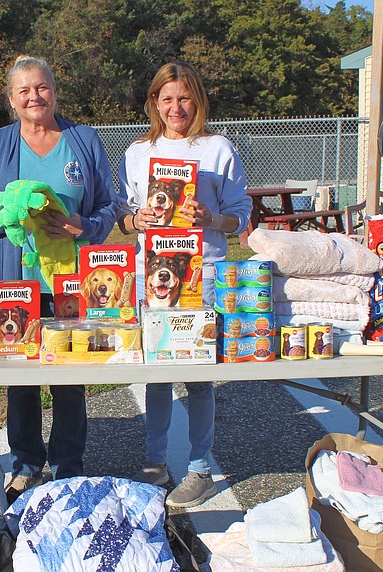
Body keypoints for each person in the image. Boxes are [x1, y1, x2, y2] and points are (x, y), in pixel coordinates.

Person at [0, 55, 121, 500]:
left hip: (71, 281)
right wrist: (13, 216)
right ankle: (27, 462)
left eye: (43, 87)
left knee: (71, 373)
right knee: (21, 375)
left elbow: (109, 205)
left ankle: (70, 463)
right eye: (24, 90)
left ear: (55, 90)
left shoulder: (83, 140)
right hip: (16, 280)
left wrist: (81, 226)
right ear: (11, 99)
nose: (35, 97)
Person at [117, 61, 252, 508]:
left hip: (201, 272)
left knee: (197, 378)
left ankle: (199, 469)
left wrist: (211, 218)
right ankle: (155, 464)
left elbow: (240, 215)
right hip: (149, 274)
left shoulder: (217, 149)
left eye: (184, 97)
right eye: (166, 97)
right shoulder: (138, 152)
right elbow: (126, 213)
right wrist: (137, 219)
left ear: (198, 99)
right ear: (154, 102)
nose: (176, 107)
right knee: (155, 372)